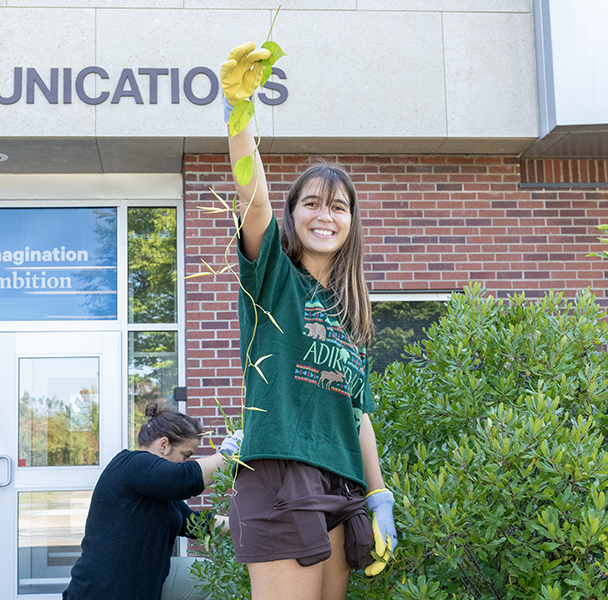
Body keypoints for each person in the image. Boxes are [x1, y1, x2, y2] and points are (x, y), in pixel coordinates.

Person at [219, 43, 398, 600]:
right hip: (280, 473)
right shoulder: (273, 275)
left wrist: (378, 494)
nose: (325, 215)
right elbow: (252, 197)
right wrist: (239, 115)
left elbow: (358, 415)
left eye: (339, 206)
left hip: (342, 483)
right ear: (293, 216)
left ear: (351, 222)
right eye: (312, 204)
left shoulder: (350, 316)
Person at [62, 402, 241, 600]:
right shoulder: (131, 464)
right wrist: (229, 454)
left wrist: (244, 526)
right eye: (185, 455)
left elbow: (194, 523)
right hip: (102, 592)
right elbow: (185, 479)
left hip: (143, 587)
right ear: (163, 445)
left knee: (217, 580)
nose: (185, 462)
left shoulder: (155, 489)